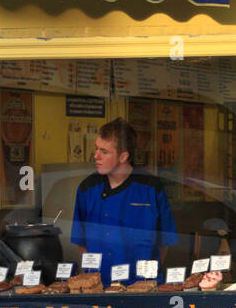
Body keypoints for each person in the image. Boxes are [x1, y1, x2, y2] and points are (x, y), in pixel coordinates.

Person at [71, 118, 177, 285]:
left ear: (123, 156)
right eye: (96, 149)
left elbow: (165, 242)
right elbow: (81, 243)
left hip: (143, 289)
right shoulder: (87, 189)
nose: (96, 156)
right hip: (100, 288)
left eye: (104, 152)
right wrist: (93, 281)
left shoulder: (151, 188)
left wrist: (145, 281)